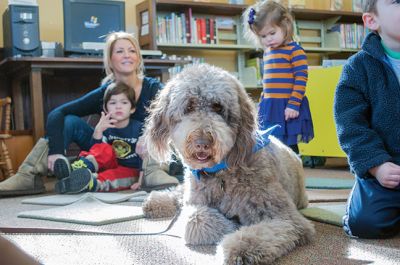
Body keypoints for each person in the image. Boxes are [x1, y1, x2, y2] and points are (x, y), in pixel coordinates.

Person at [0, 31, 179, 197]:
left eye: (132, 51)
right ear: (110, 60)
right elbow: (58, 113)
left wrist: (150, 135)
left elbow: (176, 116)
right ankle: (29, 175)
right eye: (120, 51)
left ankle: (152, 173)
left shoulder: (154, 88)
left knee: (160, 131)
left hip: (142, 157)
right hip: (109, 151)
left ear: (138, 58)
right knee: (68, 120)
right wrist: (55, 151)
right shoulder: (104, 93)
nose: (127, 55)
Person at [334, 0, 400, 239]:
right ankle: (359, 198)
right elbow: (350, 125)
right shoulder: (357, 68)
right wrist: (376, 165)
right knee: (366, 223)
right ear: (372, 20)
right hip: (384, 171)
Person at [242, 0, 314, 154]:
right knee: (271, 144)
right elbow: (268, 81)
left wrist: (294, 104)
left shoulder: (295, 51)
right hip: (271, 105)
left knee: (289, 147)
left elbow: (301, 78)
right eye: (263, 36)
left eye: (272, 33)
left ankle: (293, 174)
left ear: (285, 25)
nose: (268, 39)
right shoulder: (268, 51)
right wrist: (263, 100)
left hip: (288, 105)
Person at [53, 82, 144, 193]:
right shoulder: (105, 127)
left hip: (131, 170)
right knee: (104, 149)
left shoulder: (140, 128)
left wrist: (142, 180)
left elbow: (144, 158)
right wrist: (98, 132)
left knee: (112, 176)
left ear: (132, 108)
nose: (118, 106)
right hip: (109, 164)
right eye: (113, 103)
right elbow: (95, 152)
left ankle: (90, 184)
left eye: (124, 102)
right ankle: (76, 170)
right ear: (105, 109)